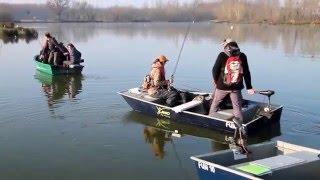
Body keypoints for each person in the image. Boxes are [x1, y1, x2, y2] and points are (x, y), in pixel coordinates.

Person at [209, 39, 255, 123]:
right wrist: (249, 87)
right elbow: (246, 72)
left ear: (227, 47)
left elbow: (214, 70)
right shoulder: (242, 56)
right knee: (237, 107)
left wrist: (216, 81)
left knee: (215, 103)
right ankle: (240, 126)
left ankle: (210, 120)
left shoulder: (222, 55)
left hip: (222, 86)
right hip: (236, 87)